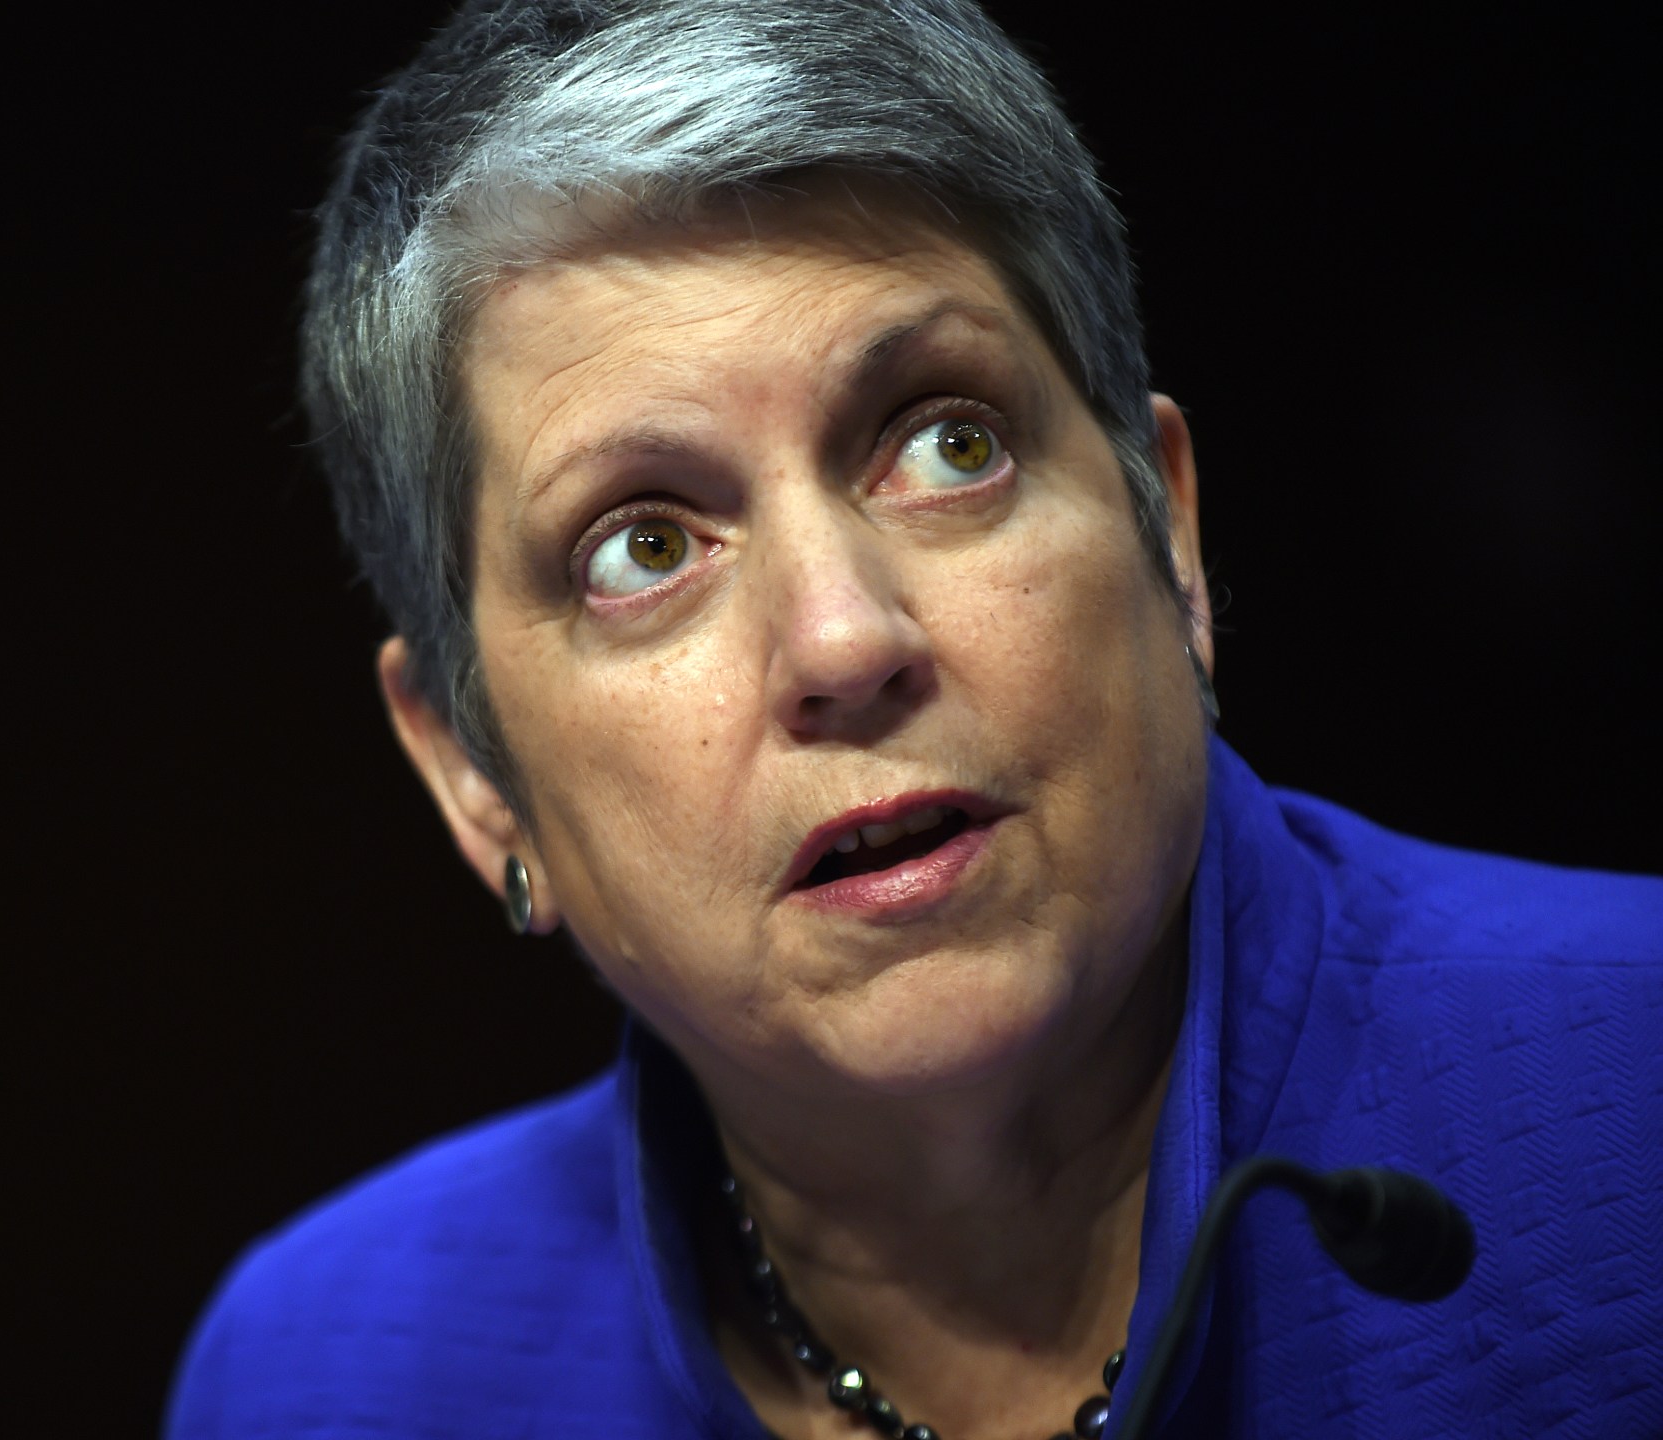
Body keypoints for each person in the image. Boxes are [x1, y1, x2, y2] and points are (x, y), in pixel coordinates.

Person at [168, 2, 1663, 1435]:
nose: (844, 641)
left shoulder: (1628, 1091)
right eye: (643, 546)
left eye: (948, 445)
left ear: (1173, 538)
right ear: (472, 773)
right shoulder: (328, 1377)